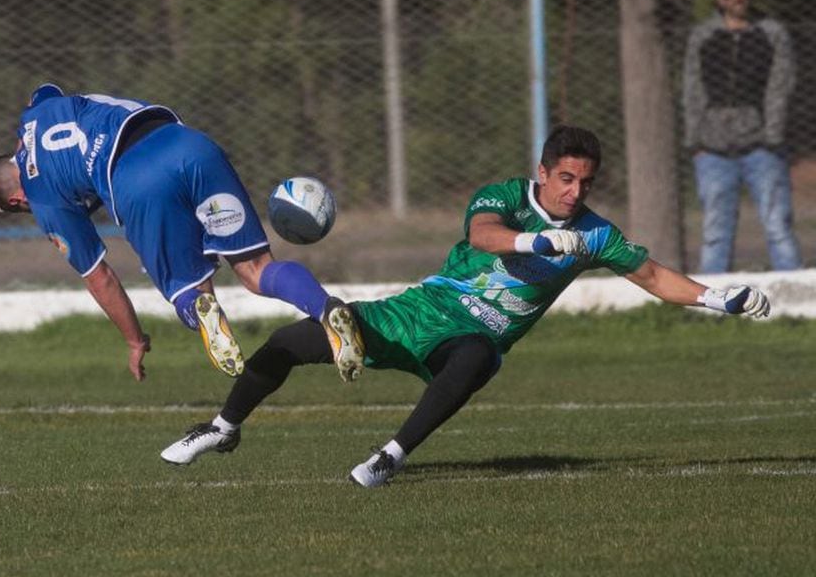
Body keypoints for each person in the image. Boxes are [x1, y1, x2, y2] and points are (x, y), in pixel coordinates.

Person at [160, 126, 772, 488]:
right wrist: (535, 239)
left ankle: (388, 458)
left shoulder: (596, 236)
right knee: (290, 342)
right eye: (564, 178)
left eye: (585, 182)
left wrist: (721, 297)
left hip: (470, 337)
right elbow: (482, 235)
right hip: (421, 312)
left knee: (480, 355)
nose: (574, 192)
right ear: (542, 171)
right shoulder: (505, 196)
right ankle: (222, 428)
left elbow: (654, 275)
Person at [0, 83, 365, 382]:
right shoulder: (37, 112)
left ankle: (201, 309)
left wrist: (134, 340)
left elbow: (101, 279)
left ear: (15, 202)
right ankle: (326, 308)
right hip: (189, 144)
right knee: (255, 268)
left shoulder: (44, 201)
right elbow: (44, 93)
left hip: (135, 181)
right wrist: (8, 167)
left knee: (190, 289)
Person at [682, 0, 802, 273]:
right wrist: (695, 141)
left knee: (778, 226)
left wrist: (772, 136)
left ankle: (797, 302)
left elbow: (781, 85)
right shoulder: (703, 36)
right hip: (712, 148)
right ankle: (713, 305)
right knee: (715, 232)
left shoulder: (771, 34)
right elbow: (692, 89)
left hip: (763, 146)